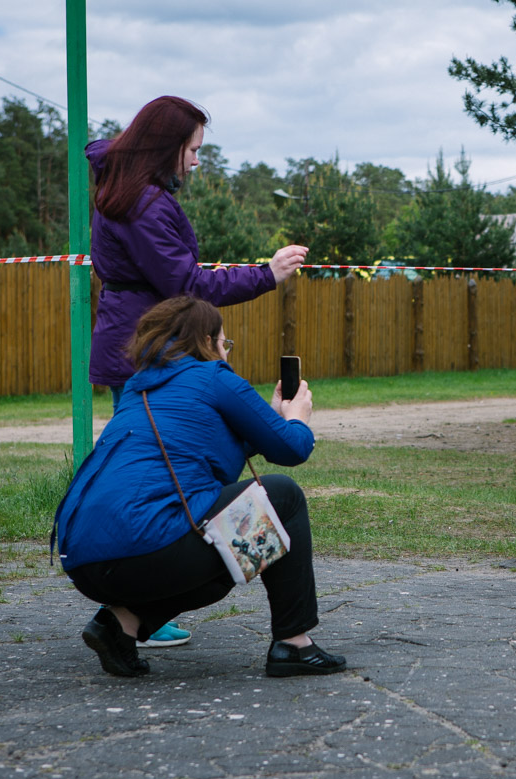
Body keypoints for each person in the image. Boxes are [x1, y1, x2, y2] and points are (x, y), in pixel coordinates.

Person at [86, 95, 308, 645]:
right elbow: (187, 285)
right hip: (151, 342)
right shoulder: (143, 203)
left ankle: (134, 609)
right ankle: (140, 604)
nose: (196, 160)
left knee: (171, 470)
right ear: (167, 147)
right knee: (211, 496)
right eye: (192, 149)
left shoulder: (130, 192)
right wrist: (266, 275)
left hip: (141, 338)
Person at [52, 296, 345, 678]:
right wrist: (297, 419)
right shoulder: (213, 376)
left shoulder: (138, 389)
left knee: (224, 565)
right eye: (225, 343)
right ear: (208, 341)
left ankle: (118, 625)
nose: (226, 352)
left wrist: (272, 420)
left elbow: (209, 449)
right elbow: (293, 448)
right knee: (282, 496)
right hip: (144, 545)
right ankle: (294, 643)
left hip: (83, 562)